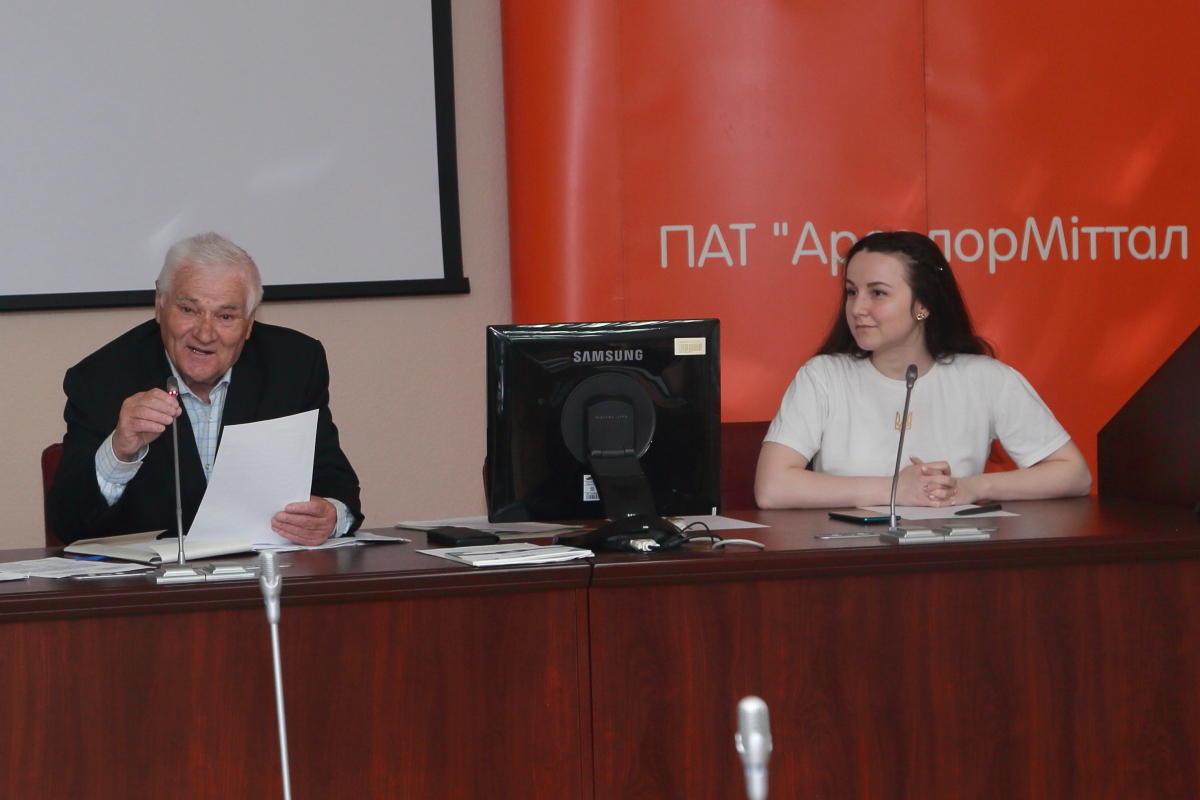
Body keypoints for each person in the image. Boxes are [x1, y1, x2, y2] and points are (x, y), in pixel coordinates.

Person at [47, 232, 363, 544]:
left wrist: (330, 516)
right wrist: (119, 451)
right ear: (159, 303)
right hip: (154, 575)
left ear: (249, 321)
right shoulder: (101, 379)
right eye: (189, 310)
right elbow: (68, 525)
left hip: (265, 567)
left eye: (226, 316)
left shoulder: (294, 365)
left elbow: (337, 487)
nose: (205, 333)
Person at [754, 230, 1091, 509]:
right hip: (851, 556)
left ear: (923, 305)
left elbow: (1074, 474)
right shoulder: (824, 376)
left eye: (878, 293)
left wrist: (970, 487)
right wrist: (896, 490)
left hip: (953, 553)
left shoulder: (986, 378)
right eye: (852, 292)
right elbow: (772, 487)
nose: (857, 308)